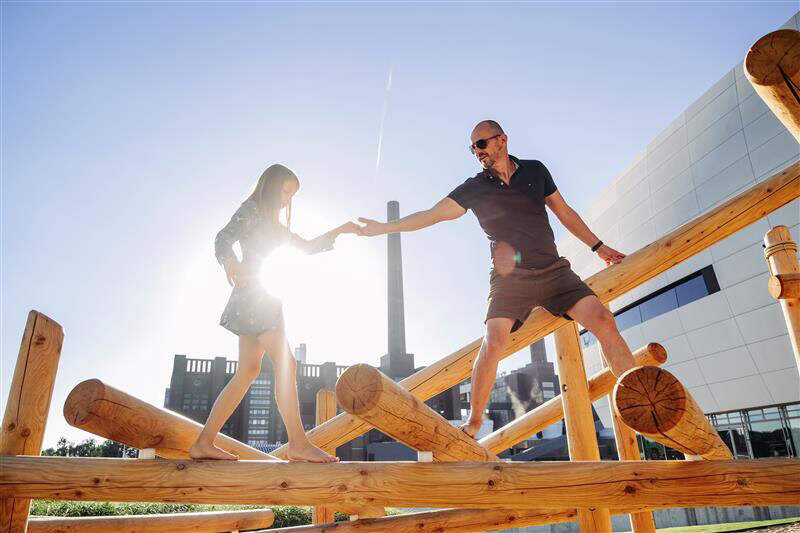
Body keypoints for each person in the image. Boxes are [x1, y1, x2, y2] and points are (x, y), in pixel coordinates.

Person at [357, 120, 636, 439]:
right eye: (472, 148)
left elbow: (564, 211)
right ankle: (474, 422)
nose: (477, 152)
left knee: (603, 319)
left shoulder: (535, 170)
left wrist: (599, 247)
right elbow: (431, 215)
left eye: (481, 144)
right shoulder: (475, 187)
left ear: (501, 140)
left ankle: (637, 393)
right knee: (493, 342)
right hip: (510, 279)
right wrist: (383, 228)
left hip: (554, 271)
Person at [190, 163, 358, 461]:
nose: (287, 199)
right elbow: (223, 237)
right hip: (256, 296)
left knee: (247, 371)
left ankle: (204, 442)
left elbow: (306, 247)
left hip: (260, 296)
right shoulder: (251, 209)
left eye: (291, 195)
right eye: (284, 191)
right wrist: (229, 262)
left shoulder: (276, 226)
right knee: (286, 363)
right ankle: (298, 443)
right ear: (270, 185)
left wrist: (340, 230)